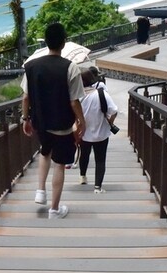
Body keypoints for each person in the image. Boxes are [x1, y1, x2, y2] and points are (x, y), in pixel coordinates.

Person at [21, 23, 86, 219]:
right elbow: (74, 101)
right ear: (63, 42)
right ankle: (54, 210)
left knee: (45, 151)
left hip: (40, 123)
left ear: (46, 41)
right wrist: (82, 122)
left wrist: (26, 118)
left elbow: (25, 97)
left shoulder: (31, 67)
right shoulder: (70, 68)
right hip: (62, 125)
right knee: (59, 163)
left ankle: (40, 191)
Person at [78, 67, 118, 193]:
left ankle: (82, 176)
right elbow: (114, 111)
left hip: (83, 133)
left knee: (84, 155)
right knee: (100, 159)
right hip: (101, 133)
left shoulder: (76, 96)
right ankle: (97, 187)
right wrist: (110, 123)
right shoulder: (101, 94)